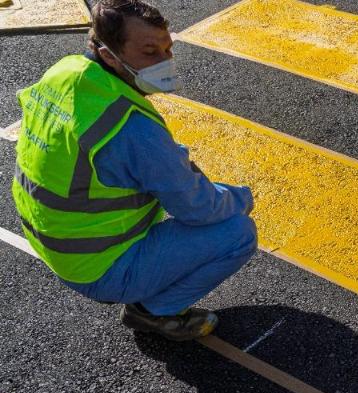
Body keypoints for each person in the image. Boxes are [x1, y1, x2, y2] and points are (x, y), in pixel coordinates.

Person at [12, 0, 255, 341]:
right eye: (150, 52)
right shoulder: (132, 129)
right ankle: (152, 311)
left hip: (53, 240)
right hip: (99, 266)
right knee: (237, 231)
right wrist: (241, 199)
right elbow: (198, 207)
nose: (165, 61)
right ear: (110, 55)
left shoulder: (67, 73)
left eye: (167, 48)